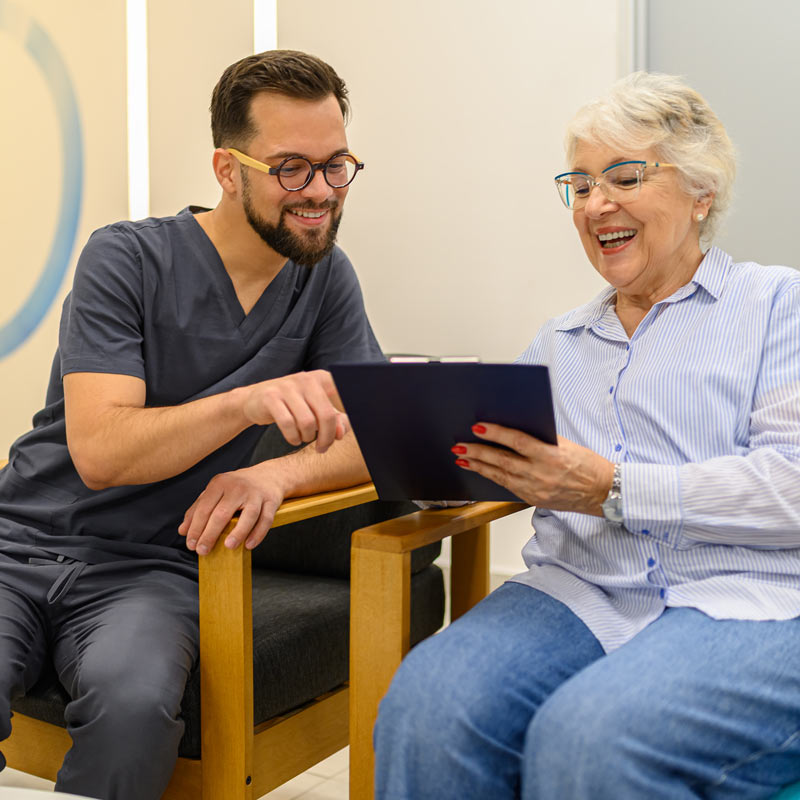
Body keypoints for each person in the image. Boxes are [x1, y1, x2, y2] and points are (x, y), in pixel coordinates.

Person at [374, 72, 800, 799]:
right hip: (581, 590)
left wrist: (613, 489)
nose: (595, 202)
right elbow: (484, 461)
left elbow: (790, 487)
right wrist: (421, 450)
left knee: (591, 736)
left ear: (702, 192)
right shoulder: (559, 342)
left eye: (624, 175)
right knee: (424, 707)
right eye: (579, 183)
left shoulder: (777, 307)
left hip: (752, 596)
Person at [0, 49, 381, 799]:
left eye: (337, 165)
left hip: (152, 569)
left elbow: (371, 437)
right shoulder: (128, 258)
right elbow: (102, 452)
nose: (321, 193)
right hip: (19, 543)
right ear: (226, 168)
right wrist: (245, 404)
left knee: (135, 707)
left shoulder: (323, 278)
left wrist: (275, 470)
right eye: (291, 168)